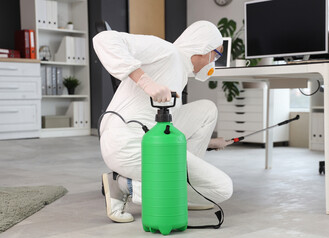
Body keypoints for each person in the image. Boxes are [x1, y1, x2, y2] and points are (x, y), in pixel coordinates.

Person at [93, 20, 233, 223]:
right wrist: (145, 82)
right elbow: (104, 39)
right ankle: (124, 185)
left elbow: (168, 128)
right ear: (203, 49)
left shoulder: (179, 71)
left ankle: (177, 186)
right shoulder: (167, 52)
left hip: (148, 138)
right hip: (127, 145)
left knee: (207, 110)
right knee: (221, 189)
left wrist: (210, 142)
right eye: (216, 55)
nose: (213, 62)